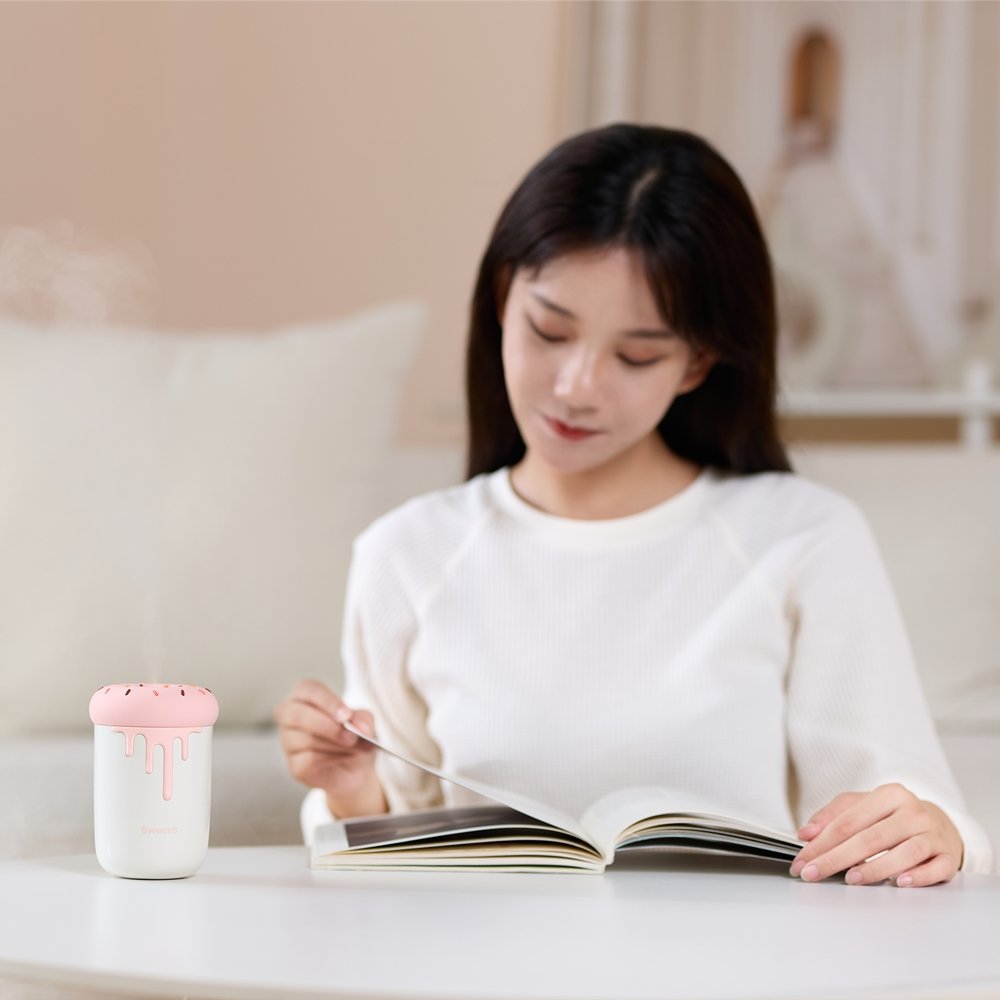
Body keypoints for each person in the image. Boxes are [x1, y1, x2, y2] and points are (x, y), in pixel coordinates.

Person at [275, 123, 993, 884]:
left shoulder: (803, 538)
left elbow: (902, 804)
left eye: (636, 355)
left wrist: (929, 832)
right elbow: (399, 831)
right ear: (499, 299)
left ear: (697, 362)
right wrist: (352, 789)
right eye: (549, 331)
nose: (577, 387)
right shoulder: (409, 553)